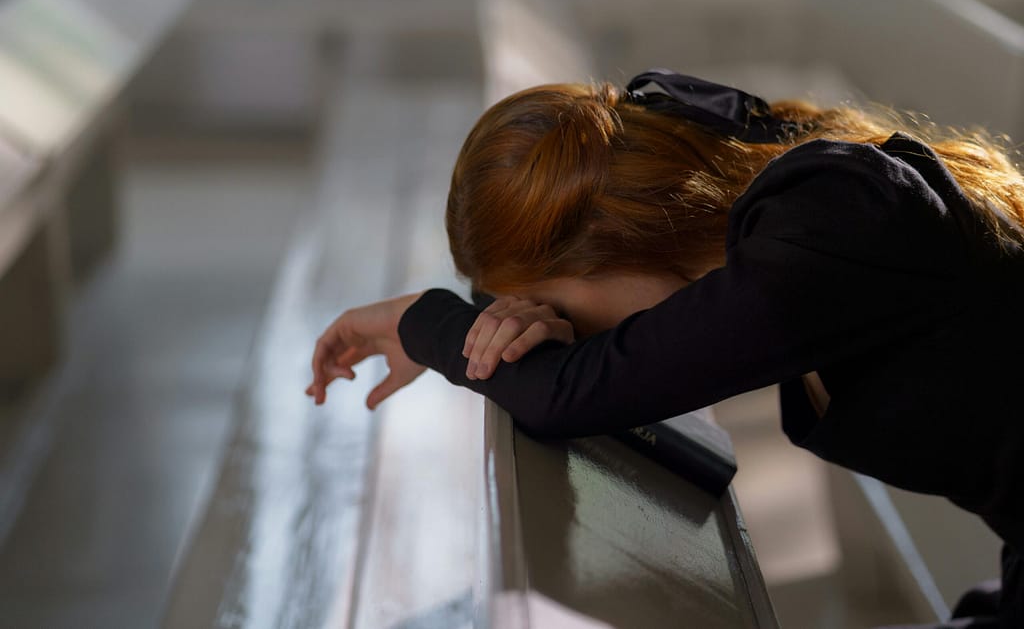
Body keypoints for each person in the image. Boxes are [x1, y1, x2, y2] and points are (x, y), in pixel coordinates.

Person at [306, 69, 1023, 628]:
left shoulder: (825, 229)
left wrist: (423, 322)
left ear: (608, 245)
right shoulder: (803, 219)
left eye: (555, 306)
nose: (565, 332)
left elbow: (572, 395)